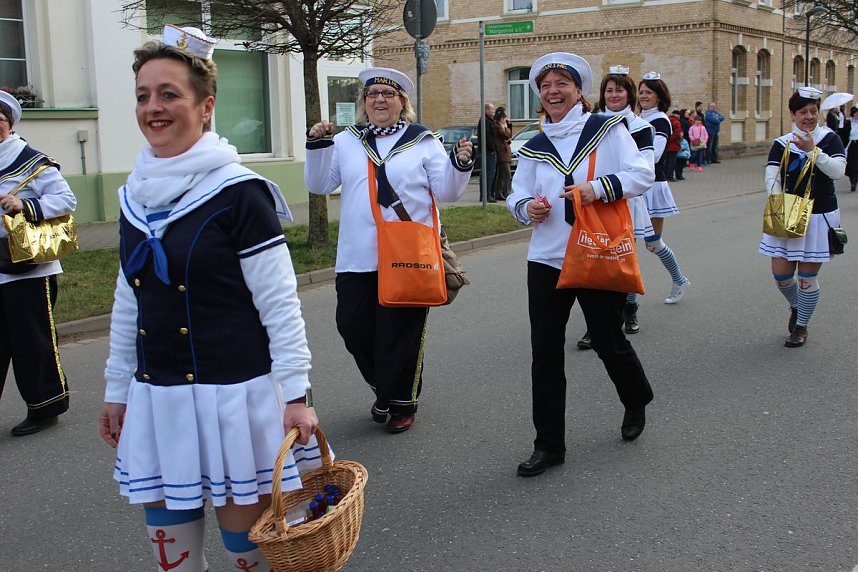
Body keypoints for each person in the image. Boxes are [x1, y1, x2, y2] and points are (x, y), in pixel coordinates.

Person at [98, 26, 321, 571]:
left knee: (250, 550)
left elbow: (279, 303)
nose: (154, 107)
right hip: (158, 397)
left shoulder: (240, 193)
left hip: (234, 401)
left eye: (170, 94)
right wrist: (116, 387)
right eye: (144, 96)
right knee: (173, 554)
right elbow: (131, 297)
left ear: (206, 106)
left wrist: (295, 393)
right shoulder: (133, 196)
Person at [507, 52, 654, 478]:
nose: (553, 92)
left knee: (609, 341)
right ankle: (549, 445)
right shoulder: (533, 146)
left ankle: (636, 397)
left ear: (578, 91)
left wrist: (600, 188)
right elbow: (516, 193)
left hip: (596, 251)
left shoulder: (607, 130)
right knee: (545, 354)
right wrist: (525, 209)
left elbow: (642, 174)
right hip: (547, 259)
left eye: (561, 84)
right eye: (546, 86)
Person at [305, 67, 473, 434]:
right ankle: (386, 389)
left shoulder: (422, 140)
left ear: (402, 103)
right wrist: (317, 145)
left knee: (400, 335)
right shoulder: (347, 140)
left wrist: (460, 165)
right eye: (373, 93)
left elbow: (446, 192)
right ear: (364, 103)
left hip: (409, 254)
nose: (380, 99)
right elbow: (319, 185)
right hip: (357, 255)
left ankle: (400, 402)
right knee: (351, 326)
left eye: (388, 94)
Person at [0, 91, 75, 437]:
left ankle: (45, 408)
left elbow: (66, 200)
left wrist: (24, 205)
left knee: (32, 340)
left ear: (9, 123)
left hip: (28, 266)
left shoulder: (31, 160)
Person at [759, 86, 846, 347]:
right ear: (793, 114)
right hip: (787, 213)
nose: (808, 116)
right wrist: (777, 202)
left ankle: (801, 326)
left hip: (819, 216)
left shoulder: (830, 139)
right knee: (782, 276)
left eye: (813, 111)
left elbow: (837, 172)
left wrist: (813, 151)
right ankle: (798, 306)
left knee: (807, 278)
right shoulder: (781, 142)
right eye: (802, 112)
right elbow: (771, 176)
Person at [577, 65, 655, 349]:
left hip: (624, 202)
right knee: (593, 260)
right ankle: (595, 325)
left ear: (629, 94)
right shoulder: (591, 123)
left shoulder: (641, 128)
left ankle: (625, 311)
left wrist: (610, 183)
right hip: (593, 202)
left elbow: (646, 169)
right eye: (608, 90)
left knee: (619, 261)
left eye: (619, 90)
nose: (613, 95)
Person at [638, 72, 691, 304]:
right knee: (626, 245)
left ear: (659, 96)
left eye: (648, 92)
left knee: (653, 243)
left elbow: (655, 155)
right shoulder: (635, 117)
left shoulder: (660, 120)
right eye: (640, 92)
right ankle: (628, 303)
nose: (643, 96)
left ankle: (679, 279)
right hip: (632, 187)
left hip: (652, 187)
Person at [477, 102, 499, 202]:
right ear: (486, 110)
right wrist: (492, 148)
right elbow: (487, 136)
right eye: (491, 109)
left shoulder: (490, 121)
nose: (493, 111)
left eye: (494, 109)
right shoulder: (485, 121)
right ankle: (486, 195)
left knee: (489, 173)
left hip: (489, 150)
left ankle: (486, 194)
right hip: (488, 151)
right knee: (488, 173)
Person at [493, 106, 513, 200]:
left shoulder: (500, 126)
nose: (506, 121)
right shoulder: (498, 126)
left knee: (501, 174)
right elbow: (506, 136)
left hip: (505, 151)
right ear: (501, 119)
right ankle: (507, 192)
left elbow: (509, 136)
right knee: (506, 173)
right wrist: (505, 128)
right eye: (505, 119)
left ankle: (499, 192)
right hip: (502, 152)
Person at [846, 106, 858, 192]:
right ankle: (852, 181)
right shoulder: (848, 123)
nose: (856, 115)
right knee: (851, 164)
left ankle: (854, 182)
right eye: (855, 113)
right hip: (851, 145)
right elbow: (843, 134)